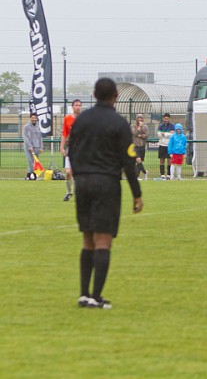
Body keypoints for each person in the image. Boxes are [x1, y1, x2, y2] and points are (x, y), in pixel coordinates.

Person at [69, 78, 143, 309]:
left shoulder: (81, 120)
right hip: (107, 184)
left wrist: (81, 176)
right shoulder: (119, 123)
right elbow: (128, 162)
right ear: (116, 96)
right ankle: (96, 297)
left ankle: (83, 294)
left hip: (83, 182)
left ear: (93, 94)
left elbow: (71, 151)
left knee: (88, 238)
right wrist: (136, 193)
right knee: (103, 240)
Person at [60, 99, 82, 200]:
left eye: (80, 105)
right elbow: (64, 134)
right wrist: (62, 147)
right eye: (76, 105)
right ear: (72, 107)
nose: (78, 107)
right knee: (68, 172)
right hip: (71, 149)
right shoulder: (67, 119)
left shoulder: (84, 118)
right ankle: (69, 192)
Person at [22, 113, 43, 180]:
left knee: (36, 162)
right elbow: (25, 137)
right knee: (30, 161)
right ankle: (30, 175)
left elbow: (40, 137)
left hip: (36, 147)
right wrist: (29, 147)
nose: (34, 119)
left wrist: (41, 147)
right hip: (29, 148)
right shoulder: (26, 126)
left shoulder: (38, 126)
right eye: (32, 118)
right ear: (30, 118)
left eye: (35, 118)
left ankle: (31, 176)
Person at [157, 113, 175, 180]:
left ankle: (168, 174)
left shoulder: (172, 126)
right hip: (162, 145)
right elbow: (158, 135)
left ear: (169, 119)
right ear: (163, 119)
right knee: (162, 160)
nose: (166, 120)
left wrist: (164, 134)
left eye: (167, 119)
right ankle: (162, 174)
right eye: (165, 119)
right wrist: (168, 134)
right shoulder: (160, 126)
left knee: (169, 160)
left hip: (169, 146)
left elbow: (172, 135)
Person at [131, 114, 149, 181]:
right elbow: (135, 133)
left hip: (142, 146)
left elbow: (146, 135)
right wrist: (139, 127)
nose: (140, 120)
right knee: (138, 160)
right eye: (138, 118)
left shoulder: (145, 127)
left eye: (141, 118)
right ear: (136, 119)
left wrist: (140, 135)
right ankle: (144, 172)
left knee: (139, 162)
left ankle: (137, 176)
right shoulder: (132, 126)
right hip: (135, 146)